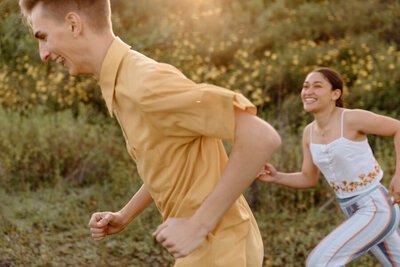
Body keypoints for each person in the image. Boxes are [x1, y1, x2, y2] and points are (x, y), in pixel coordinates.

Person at [19, 0, 281, 266]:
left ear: (74, 24)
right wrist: (124, 215)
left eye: (43, 37)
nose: (44, 54)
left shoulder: (146, 85)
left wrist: (199, 224)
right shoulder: (125, 82)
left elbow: (260, 137)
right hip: (211, 247)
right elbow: (167, 159)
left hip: (219, 250)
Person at [258, 67, 400, 266]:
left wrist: (399, 175)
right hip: (351, 209)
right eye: (305, 86)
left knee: (319, 262)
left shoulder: (351, 119)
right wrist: (276, 176)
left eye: (317, 86)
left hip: (376, 207)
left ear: (336, 94)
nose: (308, 91)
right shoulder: (308, 132)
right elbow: (308, 178)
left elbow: (398, 128)